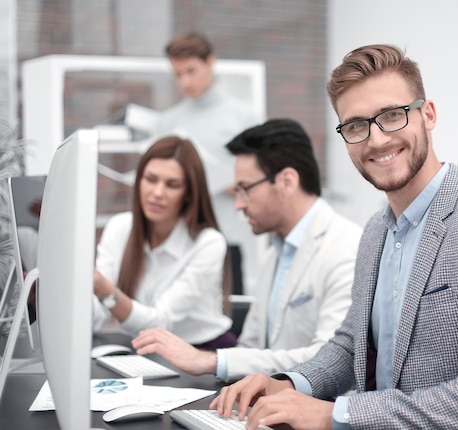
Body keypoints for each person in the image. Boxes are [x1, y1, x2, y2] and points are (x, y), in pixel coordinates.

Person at [210, 44, 458, 429]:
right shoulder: (375, 231)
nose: (377, 139)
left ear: (428, 114)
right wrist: (288, 384)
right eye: (356, 125)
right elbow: (351, 344)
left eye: (392, 115)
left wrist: (336, 415)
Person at [132, 118, 363, 382]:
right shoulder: (273, 254)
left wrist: (207, 360)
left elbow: (329, 360)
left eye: (245, 189)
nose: (238, 205)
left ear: (287, 181)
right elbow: (251, 346)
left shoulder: (346, 249)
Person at [92, 136, 237, 350]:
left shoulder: (208, 243)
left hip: (204, 352)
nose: (157, 193)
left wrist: (103, 289)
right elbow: (96, 317)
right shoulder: (119, 227)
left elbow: (160, 323)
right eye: (150, 179)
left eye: (172, 184)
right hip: (143, 349)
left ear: (188, 193)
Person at [152, 31, 262, 294]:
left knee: (227, 320)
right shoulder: (166, 123)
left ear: (210, 61)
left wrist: (227, 182)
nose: (185, 81)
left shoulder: (243, 117)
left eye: (191, 71)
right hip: (180, 241)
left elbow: (260, 180)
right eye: (178, 74)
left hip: (228, 238)